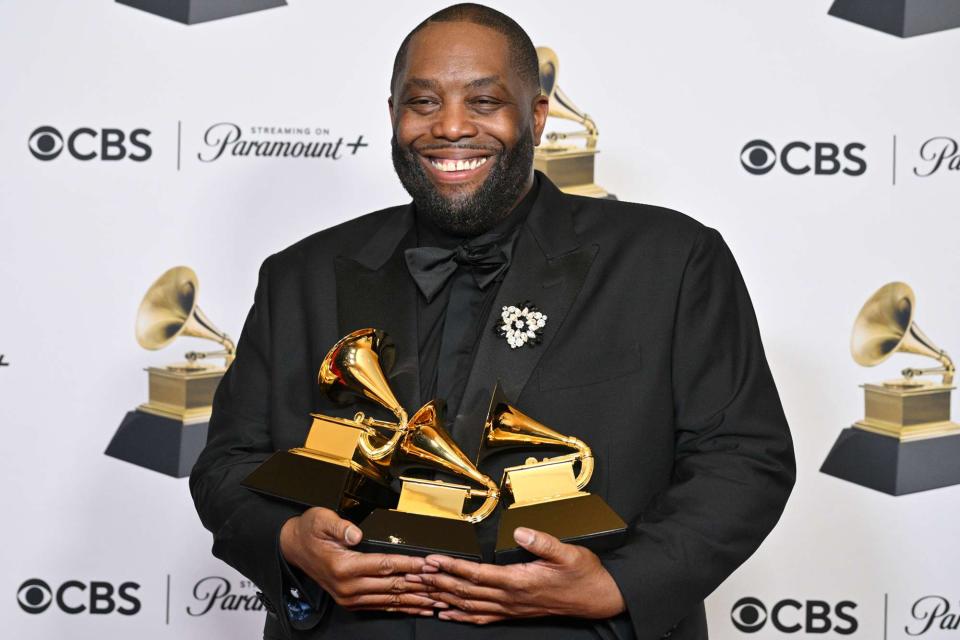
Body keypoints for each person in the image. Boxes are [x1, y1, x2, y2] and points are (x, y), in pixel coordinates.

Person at [189, 4, 795, 640]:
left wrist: (618, 585)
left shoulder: (671, 259)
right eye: (422, 103)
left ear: (534, 115)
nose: (450, 127)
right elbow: (227, 463)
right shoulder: (299, 275)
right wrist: (287, 539)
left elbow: (744, 457)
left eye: (483, 101)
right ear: (393, 114)